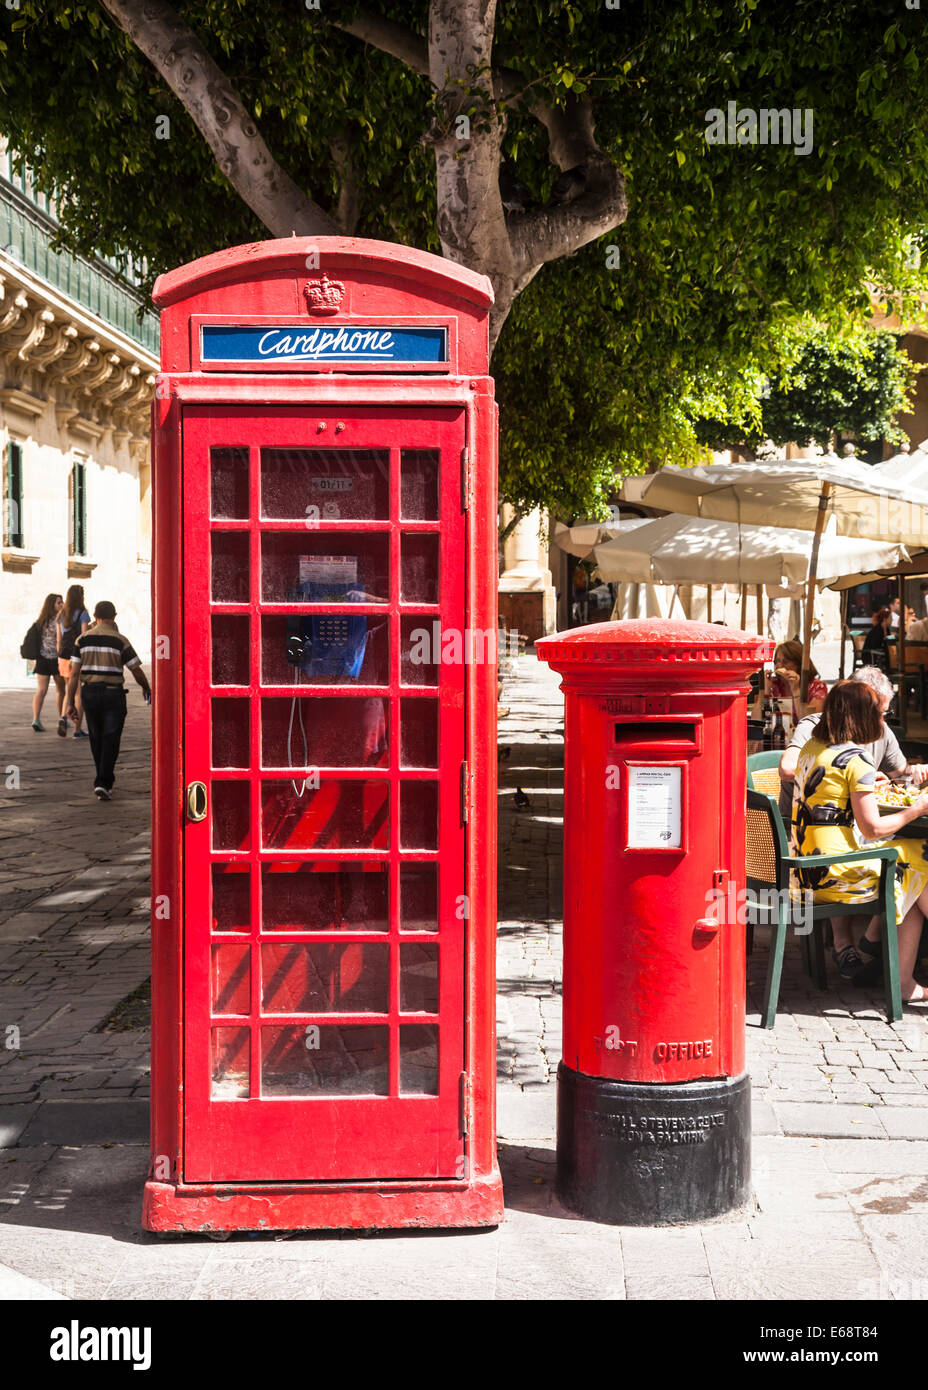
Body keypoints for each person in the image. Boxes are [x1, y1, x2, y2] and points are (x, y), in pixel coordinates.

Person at [778, 666, 928, 978]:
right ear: (861, 716)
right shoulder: (855, 759)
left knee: (913, 865)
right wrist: (917, 809)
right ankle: (885, 961)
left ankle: (890, 968)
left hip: (804, 870)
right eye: (878, 714)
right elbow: (873, 828)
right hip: (838, 875)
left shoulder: (812, 748)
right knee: (921, 864)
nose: (883, 722)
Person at [65, 600, 151, 800]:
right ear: (114, 617)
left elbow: (74, 674)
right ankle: (104, 781)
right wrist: (146, 687)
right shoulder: (120, 640)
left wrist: (70, 702)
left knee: (96, 737)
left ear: (95, 617)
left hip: (89, 693)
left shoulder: (82, 640)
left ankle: (102, 780)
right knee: (111, 738)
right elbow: (135, 669)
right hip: (113, 694)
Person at [55, 585, 91, 738]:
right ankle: (77, 729)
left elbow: (59, 639)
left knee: (68, 690)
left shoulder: (61, 614)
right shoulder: (83, 613)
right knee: (78, 694)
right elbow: (83, 636)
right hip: (76, 656)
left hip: (63, 656)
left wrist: (60, 657)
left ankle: (63, 717)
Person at [766, 640, 827, 724]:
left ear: (799, 664)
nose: (779, 666)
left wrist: (795, 690)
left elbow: (809, 723)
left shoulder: (817, 687)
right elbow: (757, 719)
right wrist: (765, 690)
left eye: (785, 662)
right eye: (777, 661)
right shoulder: (774, 685)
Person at [29, 593, 65, 732]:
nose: (62, 605)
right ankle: (61, 718)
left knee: (41, 690)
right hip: (56, 660)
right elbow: (60, 640)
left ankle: (36, 718)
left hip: (42, 659)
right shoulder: (60, 620)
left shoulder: (40, 621)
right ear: (52, 605)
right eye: (59, 603)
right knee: (61, 690)